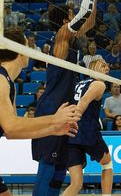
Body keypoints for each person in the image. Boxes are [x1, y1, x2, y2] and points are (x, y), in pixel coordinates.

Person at [32, 0, 98, 196]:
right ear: (64, 20)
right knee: (49, 169)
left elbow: (89, 21)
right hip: (52, 109)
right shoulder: (60, 36)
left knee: (58, 173)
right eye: (70, 17)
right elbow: (82, 18)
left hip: (63, 109)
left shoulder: (68, 43)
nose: (73, 20)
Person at [0, 29, 81, 196]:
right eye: (27, 45)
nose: (31, 49)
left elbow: (13, 133)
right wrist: (54, 119)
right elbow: (11, 126)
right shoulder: (0, 81)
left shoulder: (10, 83)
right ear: (18, 51)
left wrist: (54, 129)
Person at [63, 59, 113, 196]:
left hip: (69, 133)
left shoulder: (77, 84)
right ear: (92, 68)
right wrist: (76, 117)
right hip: (86, 131)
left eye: (107, 64)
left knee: (76, 183)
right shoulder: (99, 83)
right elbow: (84, 101)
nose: (107, 67)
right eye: (102, 65)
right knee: (107, 164)